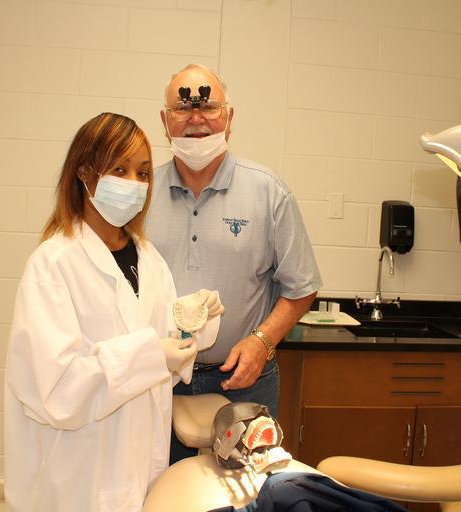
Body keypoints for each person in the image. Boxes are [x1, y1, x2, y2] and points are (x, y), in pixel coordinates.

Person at [4, 113, 222, 512]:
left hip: (138, 463)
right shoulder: (53, 264)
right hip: (79, 471)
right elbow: (57, 389)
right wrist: (150, 355)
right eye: (120, 170)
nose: (135, 184)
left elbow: (167, 349)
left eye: (143, 173)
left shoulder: (149, 258)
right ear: (85, 172)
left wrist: (194, 323)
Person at [145, 64, 322, 463]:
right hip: (159, 379)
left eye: (208, 106)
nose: (196, 118)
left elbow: (302, 286)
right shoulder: (144, 195)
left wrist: (262, 342)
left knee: (246, 488)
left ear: (229, 117)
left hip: (244, 380)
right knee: (159, 488)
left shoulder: (268, 192)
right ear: (165, 121)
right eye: (182, 107)